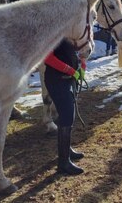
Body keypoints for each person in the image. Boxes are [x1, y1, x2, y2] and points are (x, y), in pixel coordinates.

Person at [44, 38, 86, 175]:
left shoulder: (70, 36)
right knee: (67, 116)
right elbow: (48, 58)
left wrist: (82, 67)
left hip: (68, 80)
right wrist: (70, 71)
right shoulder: (55, 36)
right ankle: (63, 162)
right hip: (57, 80)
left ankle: (66, 150)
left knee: (69, 116)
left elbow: (78, 55)